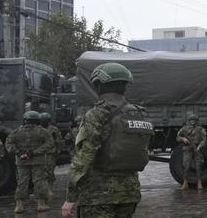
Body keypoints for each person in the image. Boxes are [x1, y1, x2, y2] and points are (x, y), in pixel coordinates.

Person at [61, 62, 154, 218]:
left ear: (98, 85)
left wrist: (70, 198)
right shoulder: (139, 113)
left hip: (98, 195)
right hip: (129, 193)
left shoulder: (98, 113)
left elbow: (83, 158)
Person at [6, 110, 55, 213]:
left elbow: (9, 143)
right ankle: (40, 204)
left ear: (25, 120)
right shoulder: (42, 131)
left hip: (21, 161)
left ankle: (19, 205)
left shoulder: (16, 131)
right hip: (38, 160)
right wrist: (35, 152)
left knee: (22, 182)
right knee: (39, 181)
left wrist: (18, 153)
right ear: (38, 120)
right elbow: (50, 143)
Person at [176, 113, 207, 190]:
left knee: (198, 166)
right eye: (191, 120)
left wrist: (200, 146)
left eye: (194, 120)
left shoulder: (200, 129)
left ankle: (199, 182)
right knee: (186, 165)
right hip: (187, 149)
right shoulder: (184, 129)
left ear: (196, 121)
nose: (193, 121)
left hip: (197, 148)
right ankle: (185, 183)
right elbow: (177, 137)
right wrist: (183, 139)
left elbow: (204, 139)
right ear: (189, 121)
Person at [41, 112, 63, 197]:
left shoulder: (53, 129)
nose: (43, 122)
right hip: (41, 154)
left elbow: (59, 140)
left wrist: (58, 151)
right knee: (41, 173)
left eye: (45, 120)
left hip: (50, 153)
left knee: (50, 172)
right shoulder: (39, 129)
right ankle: (42, 190)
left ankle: (50, 189)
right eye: (42, 120)